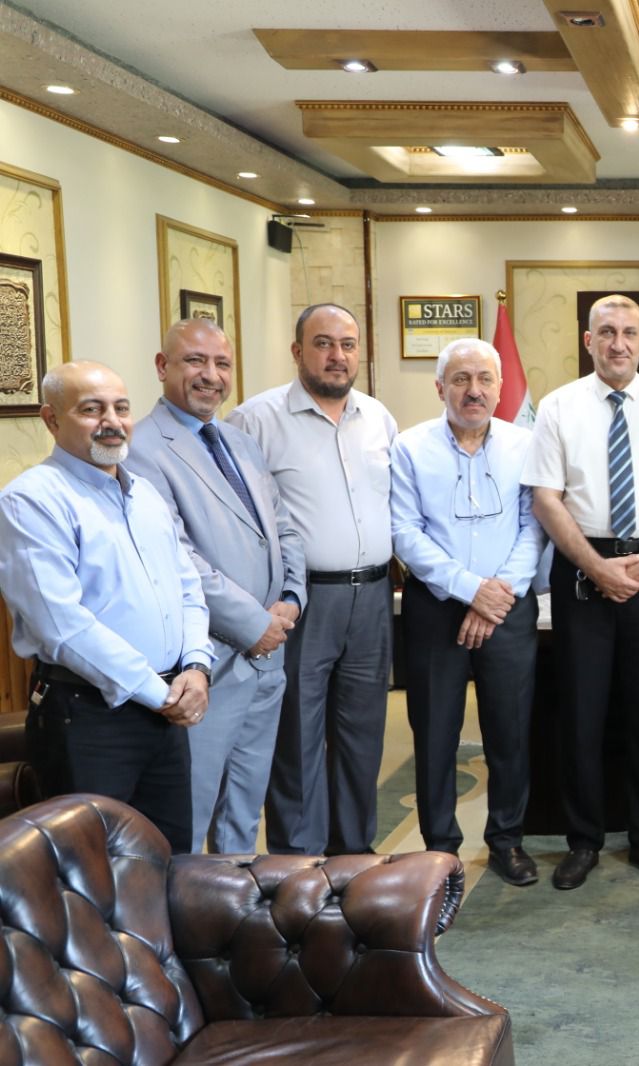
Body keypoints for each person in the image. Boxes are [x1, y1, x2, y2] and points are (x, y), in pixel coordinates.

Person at [0, 362, 212, 853]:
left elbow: (187, 589)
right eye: (91, 409)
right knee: (93, 876)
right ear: (51, 419)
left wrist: (197, 667)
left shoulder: (144, 494)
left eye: (120, 407)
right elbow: (62, 627)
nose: (111, 421)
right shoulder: (31, 501)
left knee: (169, 859)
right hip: (88, 715)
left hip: (166, 707)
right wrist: (158, 694)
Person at [524, 294, 639, 890]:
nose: (618, 343)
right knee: (581, 713)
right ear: (588, 340)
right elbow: (545, 497)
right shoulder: (557, 407)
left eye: (628, 332)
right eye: (606, 332)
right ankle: (583, 840)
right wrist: (598, 568)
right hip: (580, 572)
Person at [124, 319, 306, 854]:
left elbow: (286, 528)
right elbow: (177, 557)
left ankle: (233, 922)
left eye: (221, 364)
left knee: (244, 815)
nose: (211, 376)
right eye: (194, 362)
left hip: (267, 659)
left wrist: (291, 600)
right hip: (208, 663)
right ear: (163, 367)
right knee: (190, 813)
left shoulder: (240, 443)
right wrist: (254, 624)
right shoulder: (142, 450)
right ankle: (178, 930)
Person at [228, 303, 398, 856]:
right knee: (297, 738)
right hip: (302, 604)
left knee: (362, 735)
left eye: (348, 345)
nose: (337, 356)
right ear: (298, 351)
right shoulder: (255, 421)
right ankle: (298, 866)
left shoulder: (378, 417)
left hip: (373, 596)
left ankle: (354, 856)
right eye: (323, 344)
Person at [391, 339, 544, 884]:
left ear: (501, 388)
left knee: (511, 730)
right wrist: (469, 590)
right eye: (460, 379)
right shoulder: (409, 448)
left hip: (508, 609)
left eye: (484, 378)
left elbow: (535, 525)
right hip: (436, 610)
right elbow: (404, 532)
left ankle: (507, 840)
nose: (473, 390)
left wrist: (498, 593)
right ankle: (441, 849)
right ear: (440, 388)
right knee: (435, 732)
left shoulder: (527, 445)